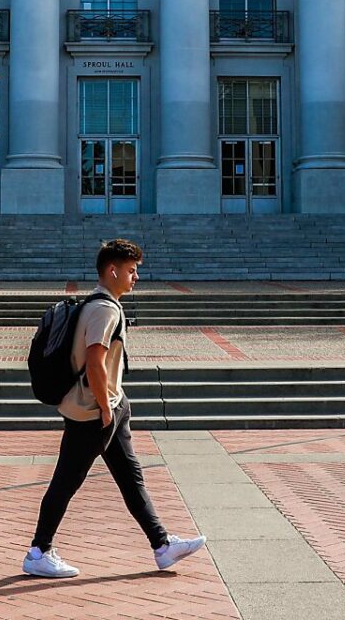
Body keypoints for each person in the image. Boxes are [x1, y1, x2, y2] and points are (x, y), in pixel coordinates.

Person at [22, 238, 208, 579]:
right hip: (94, 412)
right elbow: (94, 359)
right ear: (113, 270)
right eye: (131, 270)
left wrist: (116, 404)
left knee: (131, 478)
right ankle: (39, 551)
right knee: (66, 481)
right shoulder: (105, 309)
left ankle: (162, 546)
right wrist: (106, 406)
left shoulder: (99, 304)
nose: (135, 277)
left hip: (108, 408)